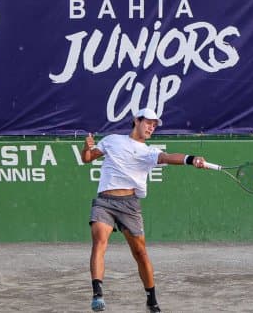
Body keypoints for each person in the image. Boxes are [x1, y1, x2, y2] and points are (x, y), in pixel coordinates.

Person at [81, 108, 207, 312]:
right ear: (136, 121)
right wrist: (85, 147)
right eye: (148, 122)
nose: (151, 127)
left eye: (154, 125)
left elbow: (167, 157)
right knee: (99, 242)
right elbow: (87, 158)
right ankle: (97, 294)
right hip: (104, 201)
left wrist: (191, 159)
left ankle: (151, 299)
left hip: (129, 205)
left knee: (140, 252)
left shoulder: (149, 152)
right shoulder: (112, 140)